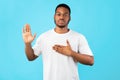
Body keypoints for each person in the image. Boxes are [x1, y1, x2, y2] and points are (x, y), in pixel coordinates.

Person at [22, 3, 94, 80]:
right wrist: (27, 44)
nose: (61, 17)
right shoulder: (44, 37)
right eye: (58, 14)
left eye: (65, 15)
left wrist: (71, 53)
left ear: (69, 18)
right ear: (54, 16)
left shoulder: (78, 37)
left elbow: (91, 61)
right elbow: (31, 57)